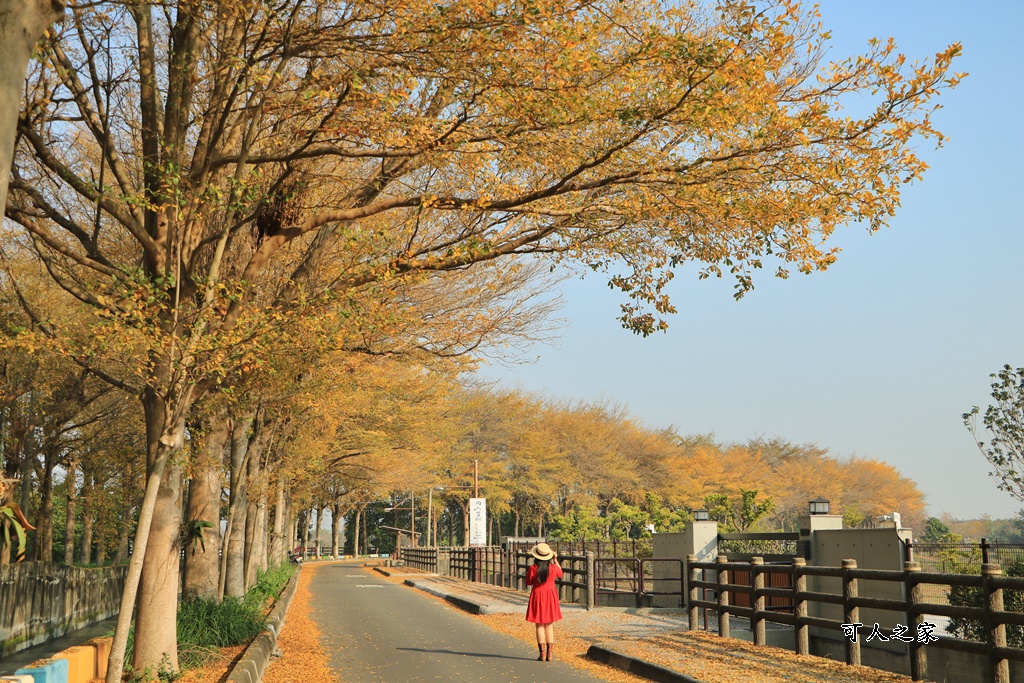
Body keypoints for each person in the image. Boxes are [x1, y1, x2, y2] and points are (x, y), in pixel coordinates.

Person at [525, 542, 563, 661]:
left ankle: (542, 654)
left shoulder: (533, 568)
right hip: (550, 595)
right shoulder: (552, 568)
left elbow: (528, 582)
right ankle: (550, 653)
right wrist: (555, 559)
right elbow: (560, 574)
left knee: (539, 625)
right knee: (549, 625)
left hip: (537, 595)